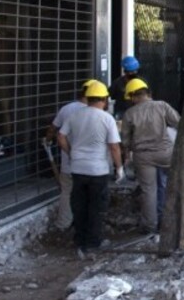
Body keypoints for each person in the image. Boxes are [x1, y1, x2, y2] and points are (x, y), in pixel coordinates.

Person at [58, 80, 124, 255]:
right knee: (97, 207)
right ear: (104, 99)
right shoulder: (107, 118)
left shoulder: (74, 116)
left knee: (79, 205)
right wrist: (119, 168)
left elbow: (61, 136)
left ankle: (79, 239)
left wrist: (71, 152)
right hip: (98, 170)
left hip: (78, 168)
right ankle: (94, 242)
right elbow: (114, 146)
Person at [120, 78, 178, 235]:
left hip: (143, 156)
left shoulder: (129, 114)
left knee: (148, 190)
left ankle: (150, 226)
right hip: (166, 153)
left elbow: (125, 140)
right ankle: (167, 221)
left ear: (133, 96)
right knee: (165, 185)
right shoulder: (162, 106)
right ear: (147, 93)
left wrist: (127, 156)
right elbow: (178, 122)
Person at [46, 79, 95, 231]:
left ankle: (63, 224)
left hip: (68, 163)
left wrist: (47, 140)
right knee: (88, 194)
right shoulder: (95, 112)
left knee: (67, 193)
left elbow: (53, 129)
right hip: (90, 164)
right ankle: (85, 225)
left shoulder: (66, 109)